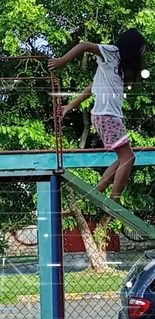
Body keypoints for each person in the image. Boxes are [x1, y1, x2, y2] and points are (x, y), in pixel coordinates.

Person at [48, 28, 148, 204]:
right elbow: (84, 45)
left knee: (124, 158)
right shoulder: (111, 52)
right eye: (141, 50)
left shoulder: (118, 65)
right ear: (132, 46)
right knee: (129, 158)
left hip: (106, 116)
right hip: (107, 115)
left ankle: (98, 191)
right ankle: (115, 199)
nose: (142, 55)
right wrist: (61, 62)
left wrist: (69, 106)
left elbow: (91, 87)